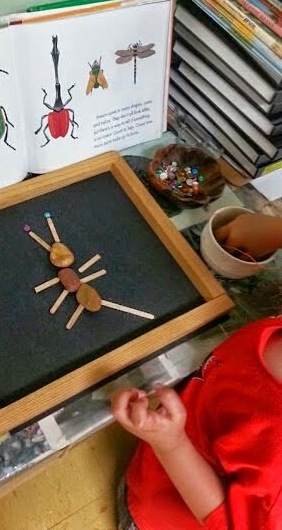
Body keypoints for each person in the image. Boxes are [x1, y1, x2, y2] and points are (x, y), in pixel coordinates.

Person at [111, 211, 282, 530]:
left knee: (136, 506)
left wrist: (170, 443)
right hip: (174, 433)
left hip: (166, 504)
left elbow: (228, 522)